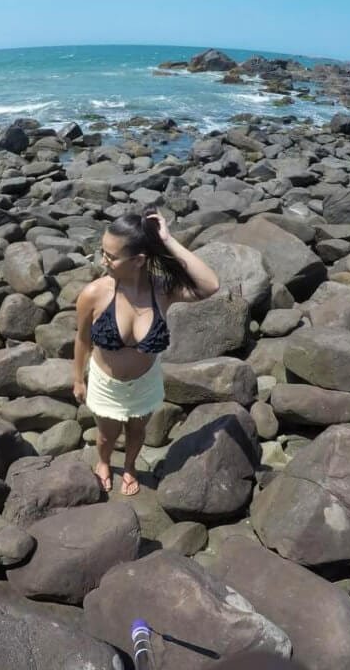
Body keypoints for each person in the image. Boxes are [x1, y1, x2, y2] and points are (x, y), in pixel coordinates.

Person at [73, 205, 220, 496]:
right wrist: (78, 378)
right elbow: (82, 339)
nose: (103, 260)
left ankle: (129, 466)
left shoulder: (162, 290)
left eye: (112, 256)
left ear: (139, 260)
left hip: (145, 382)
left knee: (137, 432)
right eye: (103, 251)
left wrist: (167, 239)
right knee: (105, 435)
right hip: (106, 383)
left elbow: (210, 285)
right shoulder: (94, 294)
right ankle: (103, 463)